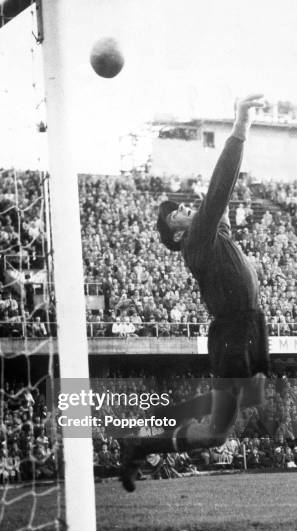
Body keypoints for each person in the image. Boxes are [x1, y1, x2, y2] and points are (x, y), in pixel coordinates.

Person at [121, 94, 270, 492]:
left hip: (249, 324)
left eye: (180, 209)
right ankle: (142, 443)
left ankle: (144, 443)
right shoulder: (196, 241)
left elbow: (218, 198)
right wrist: (240, 121)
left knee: (233, 412)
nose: (183, 210)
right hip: (234, 330)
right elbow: (222, 183)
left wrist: (243, 125)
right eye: (175, 216)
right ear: (179, 234)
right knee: (219, 430)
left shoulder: (211, 232)